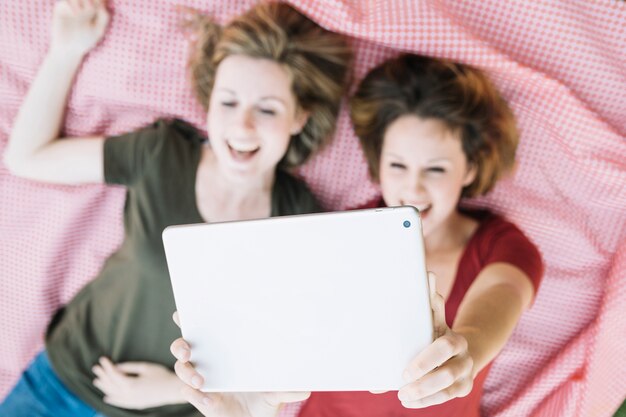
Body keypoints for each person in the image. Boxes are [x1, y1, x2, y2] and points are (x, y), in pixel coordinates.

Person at [0, 0, 351, 416]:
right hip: (64, 383)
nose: (242, 127)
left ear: (299, 117)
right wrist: (67, 49)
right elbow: (28, 156)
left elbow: (276, 368)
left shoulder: (300, 220)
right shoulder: (162, 153)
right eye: (228, 102)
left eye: (267, 109)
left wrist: (174, 389)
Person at [171, 54, 543, 417]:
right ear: (377, 163)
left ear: (469, 169)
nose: (412, 187)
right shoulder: (341, 234)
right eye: (397, 165)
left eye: (435, 169)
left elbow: (502, 297)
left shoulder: (503, 246)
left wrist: (467, 353)